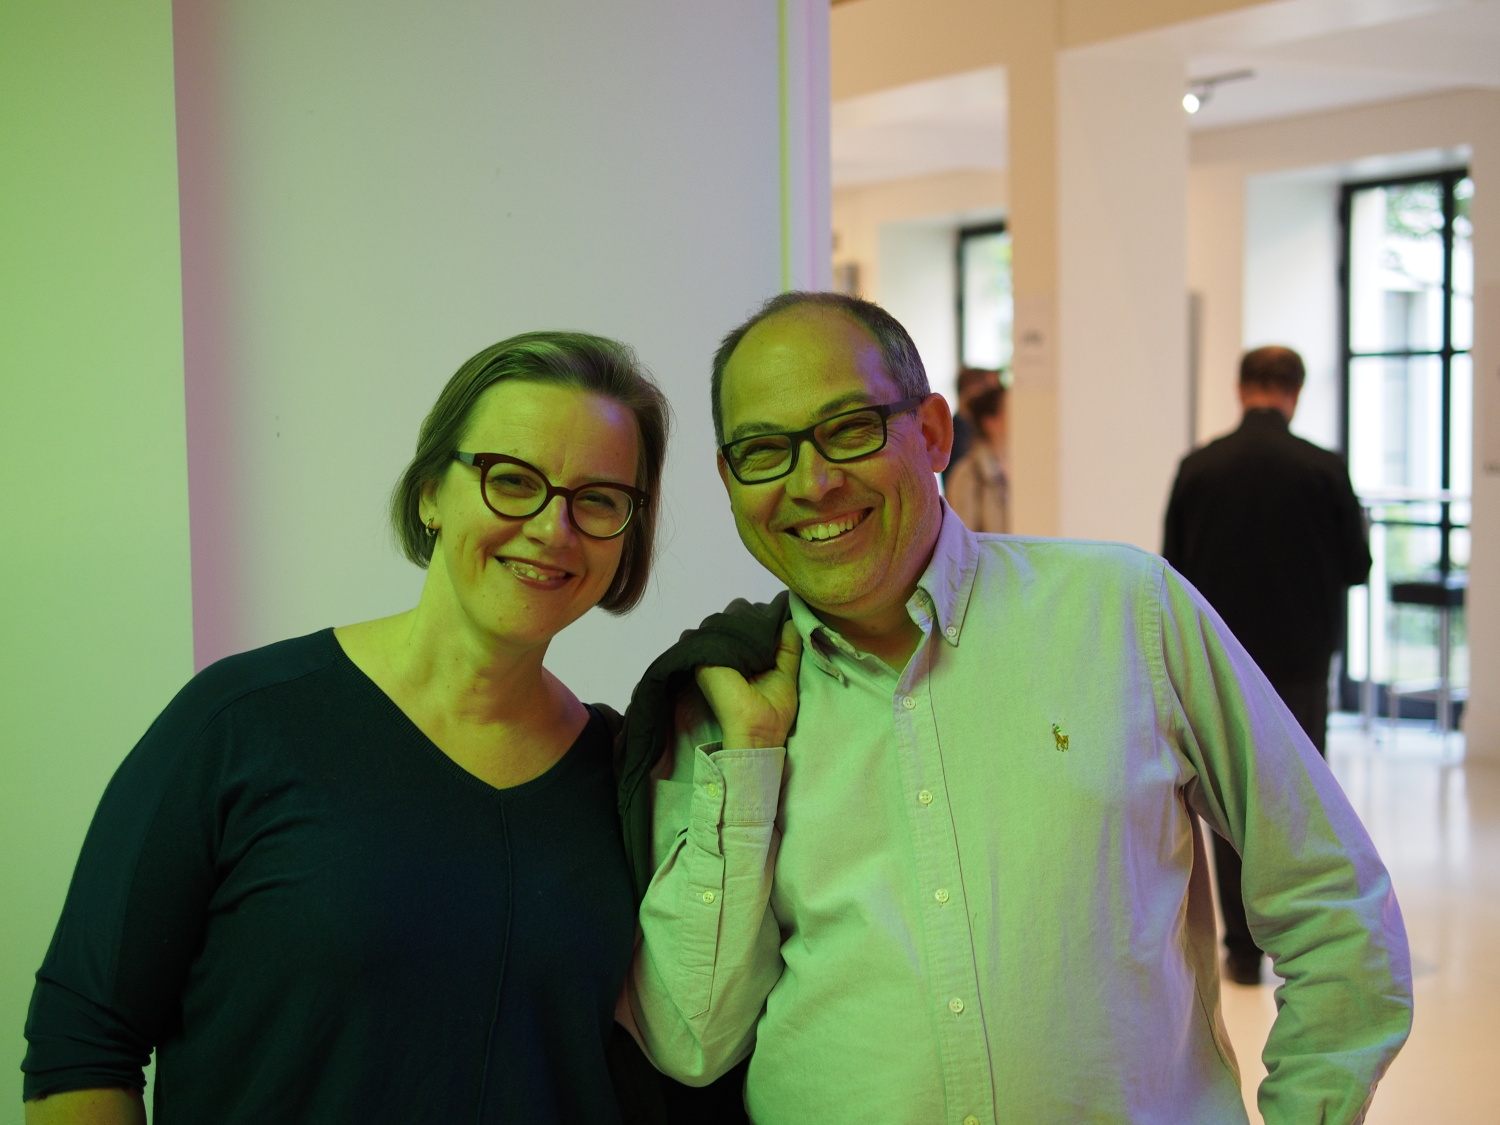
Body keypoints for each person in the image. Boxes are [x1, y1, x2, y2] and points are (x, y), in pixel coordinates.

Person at [623, 293, 1411, 1123]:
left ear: (934, 431)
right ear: (729, 480)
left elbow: (1334, 901)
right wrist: (749, 763)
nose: (811, 482)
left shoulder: (1124, 612)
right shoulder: (723, 702)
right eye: (762, 450)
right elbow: (691, 1041)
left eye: (849, 428)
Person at [22, 332, 677, 1124]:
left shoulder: (627, 774)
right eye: (512, 480)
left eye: (598, 498)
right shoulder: (242, 721)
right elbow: (82, 1042)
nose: (552, 527)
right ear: (431, 492)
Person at [1163, 344, 1372, 986]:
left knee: (1228, 798)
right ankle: (1300, 939)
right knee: (1299, 800)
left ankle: (1243, 951)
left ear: (1240, 388)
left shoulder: (1199, 467)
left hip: (1219, 660)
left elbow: (1172, 570)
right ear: (1295, 392)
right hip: (1302, 659)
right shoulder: (1323, 468)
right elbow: (1357, 566)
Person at [944, 382, 1009, 532]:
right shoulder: (967, 475)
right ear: (990, 422)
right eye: (1009, 411)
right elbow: (963, 537)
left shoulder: (1016, 468)